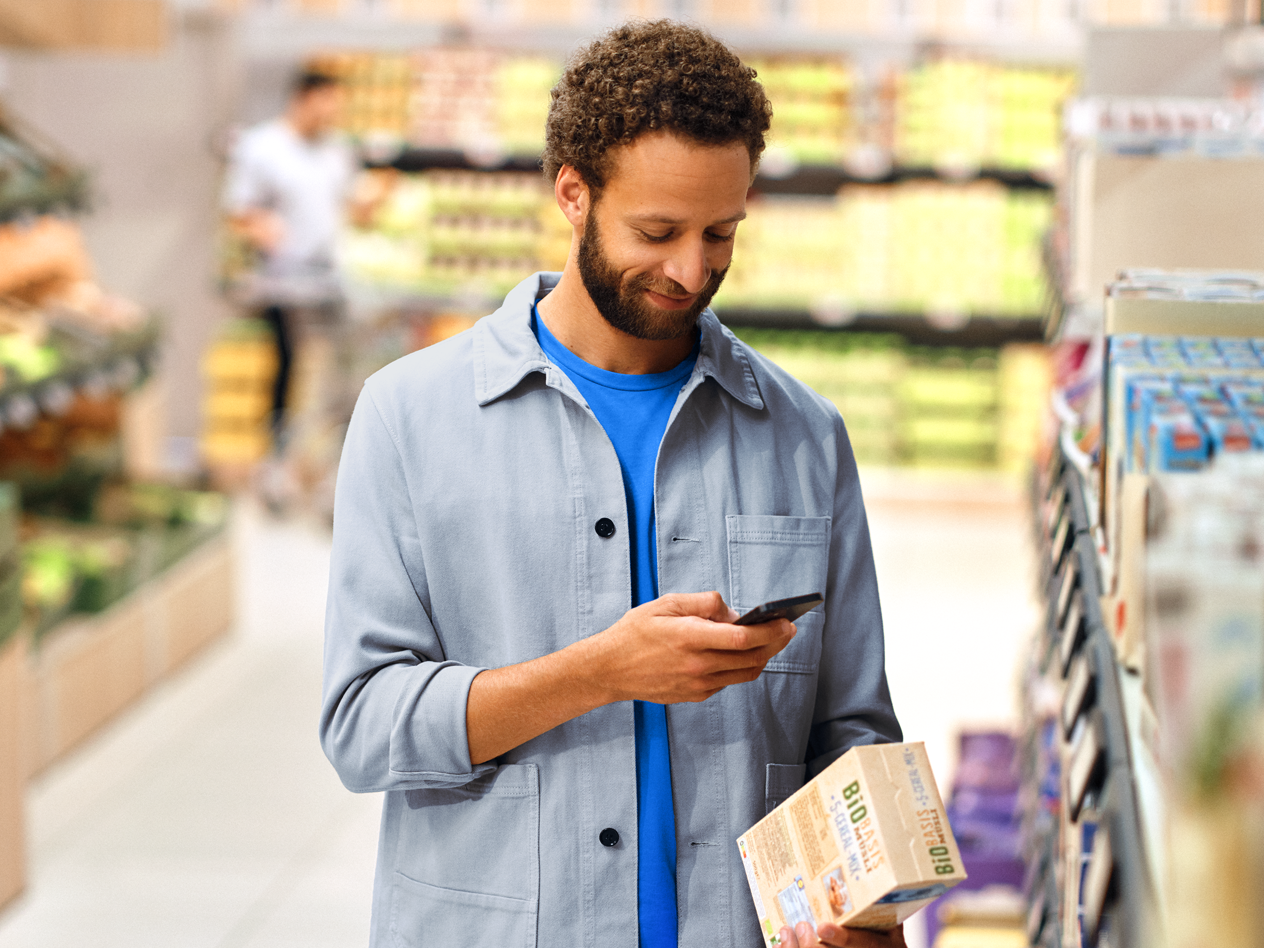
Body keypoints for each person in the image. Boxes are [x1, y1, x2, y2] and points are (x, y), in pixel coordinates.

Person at [320, 20, 904, 948]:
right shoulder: (409, 417)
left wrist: (864, 892)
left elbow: (851, 728)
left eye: (722, 232)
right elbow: (362, 725)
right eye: (657, 231)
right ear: (573, 194)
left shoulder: (804, 436)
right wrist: (597, 673)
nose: (692, 269)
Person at [222, 69, 358, 441]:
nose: (330, 115)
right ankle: (278, 444)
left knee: (332, 369)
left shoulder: (336, 149)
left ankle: (325, 442)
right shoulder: (262, 146)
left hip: (329, 277)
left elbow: (347, 204)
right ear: (301, 98)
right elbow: (238, 212)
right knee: (287, 366)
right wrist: (263, 227)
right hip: (281, 281)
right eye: (325, 105)